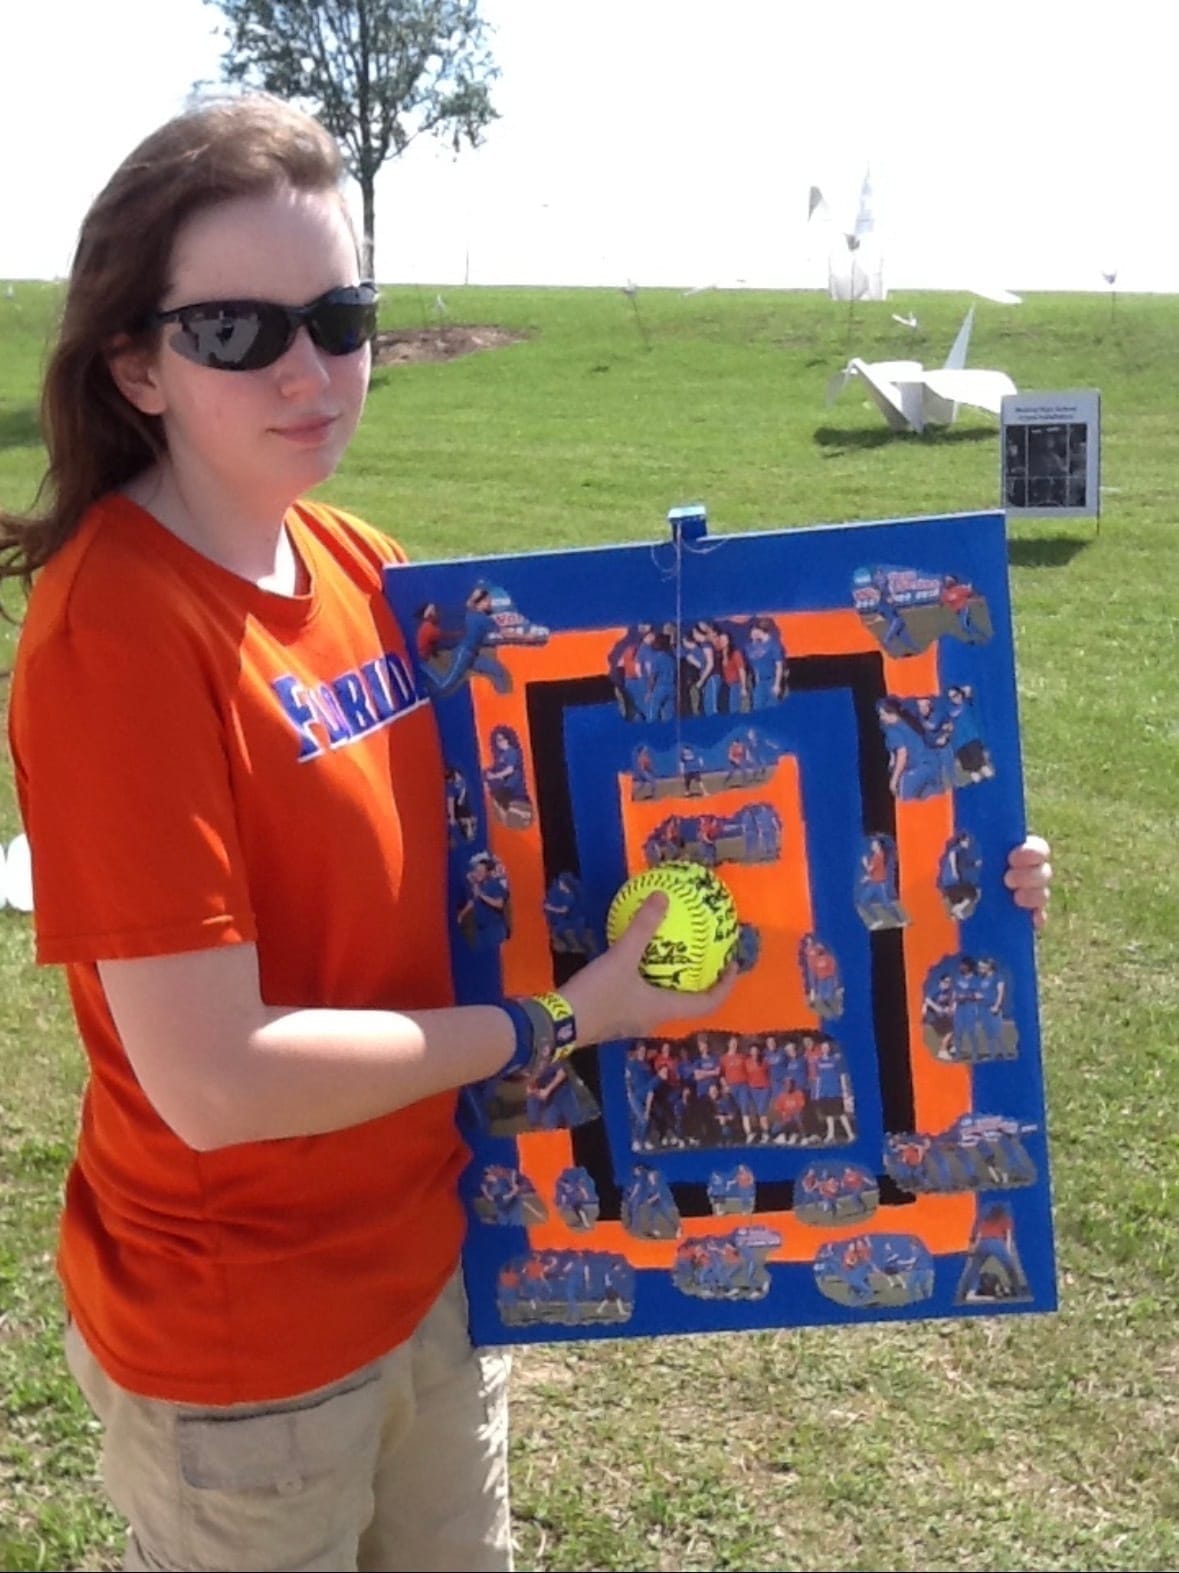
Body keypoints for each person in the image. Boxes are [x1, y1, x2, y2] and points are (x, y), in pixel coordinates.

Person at [0, 92, 1055, 1573]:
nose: (310, 369)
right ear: (137, 363)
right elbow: (214, 1079)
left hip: (439, 1266)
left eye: (341, 314)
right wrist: (558, 1016)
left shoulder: (369, 571)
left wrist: (949, 866)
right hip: (248, 1352)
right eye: (239, 332)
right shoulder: (115, 629)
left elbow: (563, 842)